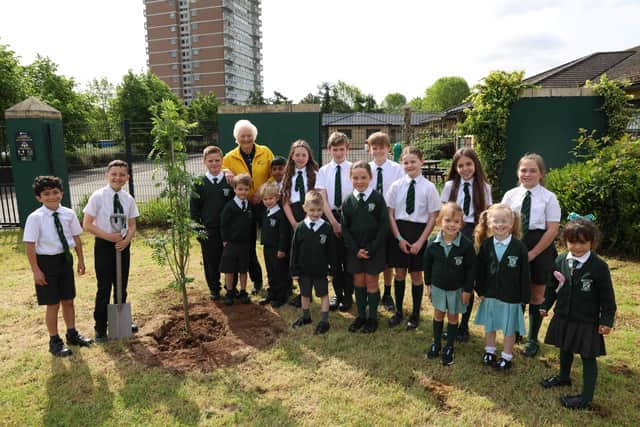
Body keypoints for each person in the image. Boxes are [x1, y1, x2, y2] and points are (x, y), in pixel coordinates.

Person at [539, 217, 616, 409]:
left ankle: (586, 397)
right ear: (565, 241)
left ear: (592, 242)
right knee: (564, 347)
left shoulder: (599, 267)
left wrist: (606, 320)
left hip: (587, 321)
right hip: (564, 315)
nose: (578, 247)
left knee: (588, 356)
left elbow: (608, 298)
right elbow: (552, 286)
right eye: (573, 242)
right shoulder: (560, 260)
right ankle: (564, 377)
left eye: (583, 242)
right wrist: (545, 305)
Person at [24, 176, 93, 356]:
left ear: (61, 193)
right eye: (46, 194)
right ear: (39, 198)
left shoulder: (68, 214)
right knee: (52, 304)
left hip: (64, 260)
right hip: (46, 263)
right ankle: (54, 341)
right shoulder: (35, 218)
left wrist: (81, 260)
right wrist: (36, 271)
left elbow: (76, 238)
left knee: (68, 300)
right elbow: (30, 246)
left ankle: (72, 333)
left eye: (55, 192)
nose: (52, 196)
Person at [502, 153, 561, 357]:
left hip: (540, 247)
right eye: (523, 170)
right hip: (515, 243)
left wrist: (534, 253)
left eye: (532, 170)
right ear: (518, 172)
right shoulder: (510, 195)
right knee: (517, 291)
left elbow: (552, 229)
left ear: (541, 173)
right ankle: (517, 330)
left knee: (537, 294)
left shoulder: (549, 198)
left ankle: (533, 338)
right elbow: (502, 221)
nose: (527, 174)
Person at [83, 159, 139, 343]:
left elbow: (131, 224)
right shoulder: (98, 196)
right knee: (104, 287)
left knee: (121, 284)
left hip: (122, 245)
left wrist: (126, 240)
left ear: (127, 178)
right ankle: (100, 327)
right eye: (114, 174)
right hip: (105, 245)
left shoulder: (128, 198)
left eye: (122, 174)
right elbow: (87, 224)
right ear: (106, 175)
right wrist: (108, 236)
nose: (117, 177)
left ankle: (120, 322)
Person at [440, 147, 492, 342]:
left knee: (468, 279)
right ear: (455, 167)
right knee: (454, 277)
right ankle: (451, 321)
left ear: (475, 165)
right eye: (460, 165)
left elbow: (487, 215)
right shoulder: (450, 186)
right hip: (454, 232)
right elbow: (444, 213)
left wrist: (481, 237)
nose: (465, 168)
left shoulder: (485, 187)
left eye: (468, 164)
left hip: (476, 232)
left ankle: (464, 325)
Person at [386, 146, 440, 330]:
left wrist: (421, 241)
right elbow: (390, 214)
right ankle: (399, 311)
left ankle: (415, 313)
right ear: (402, 164)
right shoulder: (396, 186)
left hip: (419, 233)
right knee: (399, 272)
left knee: (416, 274)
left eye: (413, 161)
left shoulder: (429, 188)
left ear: (421, 162)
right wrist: (399, 238)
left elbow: (433, 217)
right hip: (399, 232)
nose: (409, 165)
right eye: (406, 162)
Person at [474, 204, 530, 371]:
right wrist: (481, 290)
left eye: (504, 221)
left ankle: (506, 356)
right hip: (490, 294)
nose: (500, 225)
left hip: (511, 296)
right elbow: (480, 271)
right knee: (490, 325)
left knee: (508, 328)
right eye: (495, 221)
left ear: (512, 223)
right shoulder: (486, 245)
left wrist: (524, 297)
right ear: (489, 223)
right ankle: (489, 351)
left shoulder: (519, 247)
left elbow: (525, 274)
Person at [222, 119, 273, 294]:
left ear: (254, 136)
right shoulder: (229, 157)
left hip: (264, 203)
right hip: (244, 207)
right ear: (237, 138)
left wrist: (262, 191)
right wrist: (225, 170)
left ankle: (277, 280)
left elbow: (274, 174)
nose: (246, 139)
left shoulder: (265, 152)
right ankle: (253, 282)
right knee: (247, 246)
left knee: (271, 243)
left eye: (249, 135)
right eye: (242, 136)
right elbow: (220, 169)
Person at [424, 203, 476, 366]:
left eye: (456, 222)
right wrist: (428, 284)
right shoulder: (433, 243)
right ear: (440, 221)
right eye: (448, 220)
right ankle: (437, 343)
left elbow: (471, 270)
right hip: (438, 287)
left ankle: (449, 347)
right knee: (438, 314)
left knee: (453, 316)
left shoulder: (466, 246)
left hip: (457, 289)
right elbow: (427, 265)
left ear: (461, 224)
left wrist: (467, 289)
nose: (452, 225)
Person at [341, 161, 389, 334]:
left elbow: (384, 225)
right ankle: (361, 316)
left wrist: (371, 248)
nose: (359, 181)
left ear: (370, 177)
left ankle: (373, 318)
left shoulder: (377, 198)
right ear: (350, 178)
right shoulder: (347, 201)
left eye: (363, 177)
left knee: (371, 281)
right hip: (355, 251)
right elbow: (344, 228)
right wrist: (355, 250)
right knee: (358, 281)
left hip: (373, 250)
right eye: (355, 177)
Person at [315, 131, 354, 312]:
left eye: (341, 149)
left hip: (351, 217)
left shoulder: (354, 168)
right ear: (329, 149)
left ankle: (348, 295)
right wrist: (333, 222)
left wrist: (345, 223)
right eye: (335, 149)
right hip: (330, 216)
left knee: (349, 258)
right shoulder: (323, 171)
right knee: (334, 258)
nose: (338, 153)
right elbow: (322, 197)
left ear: (347, 148)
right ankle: (337, 294)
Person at [290, 190, 337, 335]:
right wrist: (294, 271)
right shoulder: (300, 228)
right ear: (305, 208)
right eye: (312, 210)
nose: (315, 214)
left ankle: (324, 321)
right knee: (305, 294)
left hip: (321, 270)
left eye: (319, 210)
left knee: (323, 294)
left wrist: (331, 271)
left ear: (323, 208)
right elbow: (294, 250)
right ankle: (306, 316)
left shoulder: (327, 228)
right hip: (304, 270)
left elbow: (332, 253)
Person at [190, 145, 234, 301]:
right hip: (208, 230)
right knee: (210, 261)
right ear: (204, 162)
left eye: (217, 160)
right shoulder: (198, 183)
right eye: (210, 161)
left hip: (228, 230)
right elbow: (194, 210)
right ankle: (214, 288)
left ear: (222, 161)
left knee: (229, 259)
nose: (214, 164)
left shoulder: (229, 181)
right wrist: (198, 230)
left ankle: (231, 288)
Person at [368, 131, 404, 312]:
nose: (378, 151)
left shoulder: (397, 169)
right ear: (370, 149)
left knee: (389, 258)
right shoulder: (366, 168)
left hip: (391, 216)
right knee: (373, 253)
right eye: (374, 148)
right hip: (370, 218)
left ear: (388, 149)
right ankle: (371, 290)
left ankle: (387, 293)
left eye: (382, 147)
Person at [281, 140, 319, 308]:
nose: (301, 157)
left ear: (309, 156)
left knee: (308, 255)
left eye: (304, 154)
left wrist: (306, 219)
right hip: (293, 218)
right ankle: (299, 291)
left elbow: (317, 199)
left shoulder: (315, 174)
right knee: (295, 255)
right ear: (292, 156)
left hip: (311, 216)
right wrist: (294, 223)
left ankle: (308, 292)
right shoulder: (288, 175)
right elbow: (285, 202)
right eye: (297, 154)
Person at [220, 174, 254, 306]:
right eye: (240, 189)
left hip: (245, 244)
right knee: (230, 269)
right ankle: (229, 292)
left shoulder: (249, 205)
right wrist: (225, 240)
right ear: (234, 189)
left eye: (246, 189)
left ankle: (243, 291)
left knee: (243, 269)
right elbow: (223, 224)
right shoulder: (230, 206)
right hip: (231, 243)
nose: (243, 192)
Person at [258, 181, 290, 308]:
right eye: (265, 199)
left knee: (279, 272)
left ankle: (281, 296)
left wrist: (282, 249)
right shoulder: (266, 212)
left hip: (278, 249)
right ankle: (272, 293)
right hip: (267, 247)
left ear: (277, 198)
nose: (268, 201)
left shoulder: (280, 214)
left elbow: (284, 234)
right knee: (270, 271)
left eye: (270, 198)